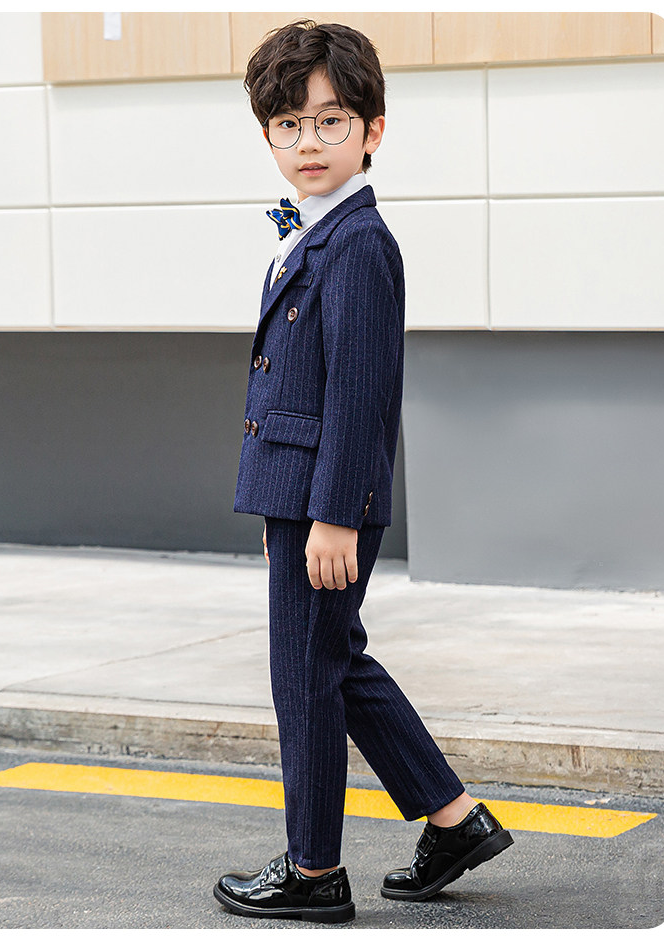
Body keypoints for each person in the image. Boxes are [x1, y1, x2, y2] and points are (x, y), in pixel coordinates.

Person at [214, 19, 513, 924]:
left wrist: (336, 514)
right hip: (299, 491)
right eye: (287, 125)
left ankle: (314, 873)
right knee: (332, 660)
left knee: (305, 678)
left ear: (373, 129)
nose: (308, 142)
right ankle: (455, 821)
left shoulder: (358, 244)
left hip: (326, 499)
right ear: (267, 135)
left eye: (330, 121)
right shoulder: (317, 232)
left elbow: (358, 390)